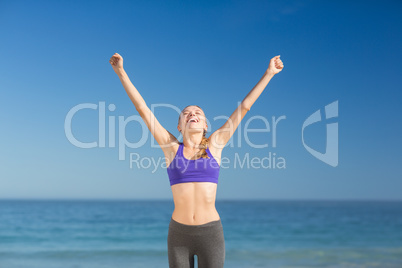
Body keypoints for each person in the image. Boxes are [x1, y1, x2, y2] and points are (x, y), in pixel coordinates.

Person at [109, 53, 284, 268]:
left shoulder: (215, 145)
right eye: (186, 113)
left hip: (210, 233)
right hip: (178, 235)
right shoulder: (171, 148)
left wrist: (269, 74)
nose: (192, 114)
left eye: (198, 113)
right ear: (179, 126)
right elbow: (143, 109)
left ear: (205, 125)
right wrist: (121, 72)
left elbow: (245, 107)